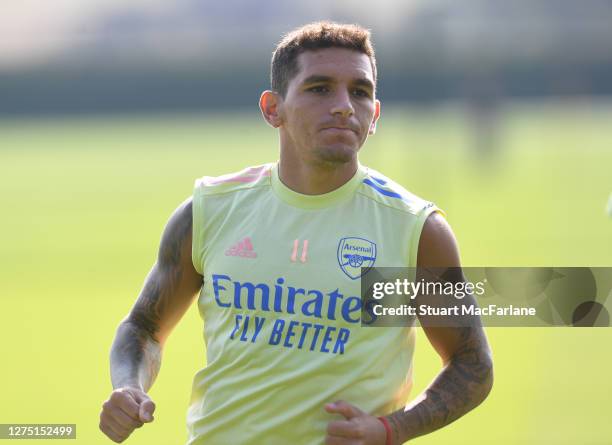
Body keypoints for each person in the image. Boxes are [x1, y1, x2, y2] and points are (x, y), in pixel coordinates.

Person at [99, 21, 493, 445]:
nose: (344, 106)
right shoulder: (210, 210)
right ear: (273, 108)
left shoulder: (414, 229)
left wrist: (390, 429)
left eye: (360, 92)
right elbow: (142, 327)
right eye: (319, 88)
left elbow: (471, 365)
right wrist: (129, 386)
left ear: (374, 115)